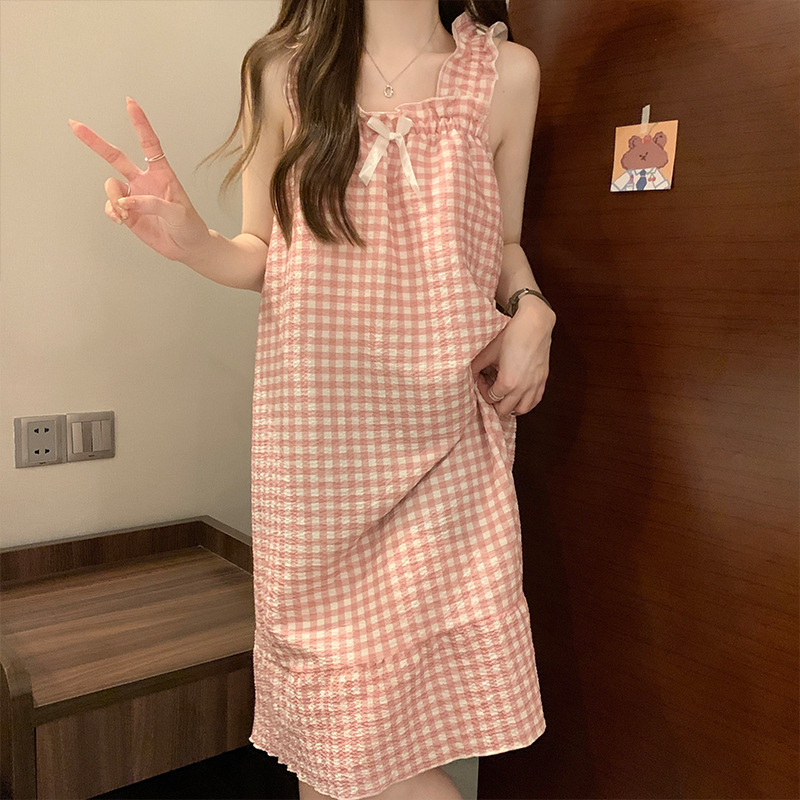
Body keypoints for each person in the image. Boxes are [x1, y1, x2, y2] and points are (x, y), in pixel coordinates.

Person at [69, 1, 554, 798]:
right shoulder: (283, 73)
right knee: (329, 750)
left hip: (447, 453)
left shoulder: (507, 74)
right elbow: (262, 250)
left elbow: (503, 241)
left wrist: (532, 308)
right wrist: (194, 242)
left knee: (384, 751)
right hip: (317, 459)